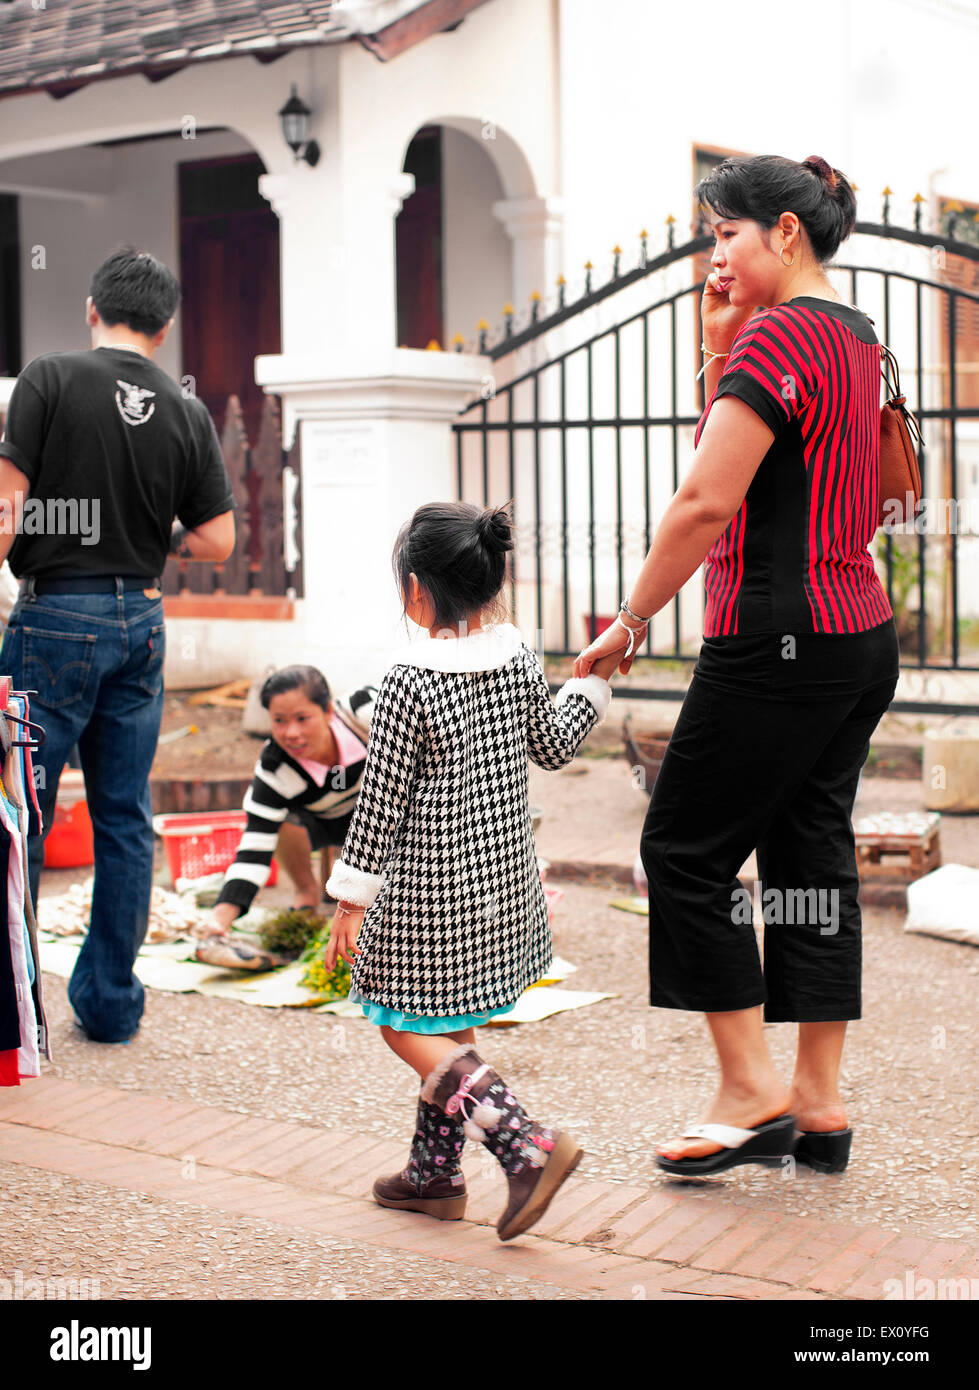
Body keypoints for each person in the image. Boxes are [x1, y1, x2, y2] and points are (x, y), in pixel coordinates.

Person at [574, 154, 900, 1177]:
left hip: (776, 640)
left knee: (682, 851)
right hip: (856, 634)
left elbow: (705, 501)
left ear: (784, 233)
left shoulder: (778, 334)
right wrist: (720, 350)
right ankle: (816, 1101)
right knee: (810, 857)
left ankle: (748, 1086)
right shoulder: (854, 335)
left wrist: (630, 619)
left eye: (726, 233)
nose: (714, 253)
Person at [323, 500, 622, 1240]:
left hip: (430, 894)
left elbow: (381, 802)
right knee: (449, 1025)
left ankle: (525, 1145)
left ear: (416, 591)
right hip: (502, 887)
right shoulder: (516, 655)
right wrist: (590, 686)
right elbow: (552, 744)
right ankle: (434, 1177)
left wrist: (349, 903)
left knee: (398, 1022)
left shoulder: (406, 681)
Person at [0, 247, 235, 1044]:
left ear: (92, 309)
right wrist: (149, 536)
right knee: (125, 818)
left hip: (55, 620)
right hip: (141, 621)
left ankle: (13, 1009)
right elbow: (218, 541)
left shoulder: (51, 376)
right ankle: (108, 1006)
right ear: (164, 329)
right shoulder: (188, 411)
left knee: (17, 812)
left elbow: (8, 510)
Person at [200, 665, 377, 956]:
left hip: (382, 818)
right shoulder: (274, 768)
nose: (291, 733)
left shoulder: (365, 711)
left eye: (302, 718)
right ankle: (305, 893)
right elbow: (254, 847)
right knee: (275, 819)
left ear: (328, 711)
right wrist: (221, 917)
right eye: (279, 721)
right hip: (322, 823)